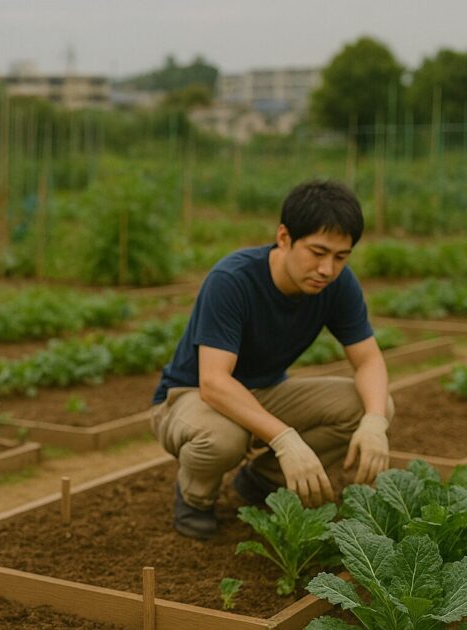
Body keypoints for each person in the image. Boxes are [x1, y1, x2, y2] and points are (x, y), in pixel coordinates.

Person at [150, 180, 394, 540]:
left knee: (374, 404)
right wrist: (285, 440)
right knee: (223, 437)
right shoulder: (233, 280)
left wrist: (374, 422)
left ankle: (262, 482)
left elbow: (369, 360)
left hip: (264, 391)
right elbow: (214, 382)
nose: (327, 268)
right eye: (317, 252)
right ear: (284, 237)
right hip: (189, 399)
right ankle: (195, 498)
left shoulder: (337, 285)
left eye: (341, 257)